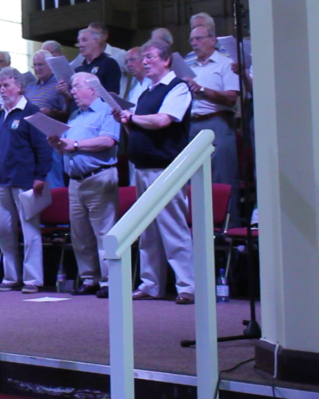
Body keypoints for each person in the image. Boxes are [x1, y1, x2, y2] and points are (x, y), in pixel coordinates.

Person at [115, 40, 195, 305]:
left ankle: (187, 285)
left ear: (166, 60)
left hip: (166, 168)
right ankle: (151, 284)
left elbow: (163, 121)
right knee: (147, 231)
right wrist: (127, 122)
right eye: (143, 58)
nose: (145, 62)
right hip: (142, 166)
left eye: (149, 57)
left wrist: (133, 118)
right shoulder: (145, 92)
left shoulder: (178, 88)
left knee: (173, 228)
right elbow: (137, 130)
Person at [47, 73, 119, 298]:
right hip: (75, 182)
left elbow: (108, 140)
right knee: (80, 235)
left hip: (99, 178)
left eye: (77, 87)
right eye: (73, 88)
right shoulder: (75, 115)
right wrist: (58, 144)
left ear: (93, 88)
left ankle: (109, 281)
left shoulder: (107, 110)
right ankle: (89, 278)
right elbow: (66, 149)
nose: (73, 92)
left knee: (103, 232)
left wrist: (74, 143)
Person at [0, 67, 52, 294]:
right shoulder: (1, 114)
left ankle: (32, 279)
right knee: (5, 231)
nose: (2, 90)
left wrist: (40, 176)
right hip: (1, 180)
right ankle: (10, 276)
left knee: (30, 231)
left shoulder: (31, 112)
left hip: (25, 180)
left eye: (6, 85)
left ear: (19, 86)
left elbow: (43, 148)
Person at [187, 24, 242, 226]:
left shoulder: (225, 64)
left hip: (217, 122)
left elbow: (230, 99)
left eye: (199, 38)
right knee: (194, 182)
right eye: (192, 39)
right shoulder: (190, 68)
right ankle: (201, 235)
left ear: (213, 39)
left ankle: (230, 237)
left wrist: (202, 90)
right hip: (192, 125)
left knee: (222, 179)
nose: (194, 43)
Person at [25, 50, 68, 189]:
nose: (37, 69)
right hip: (31, 138)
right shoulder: (30, 87)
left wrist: (51, 112)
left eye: (41, 65)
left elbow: (68, 112)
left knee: (53, 181)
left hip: (51, 138)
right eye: (35, 65)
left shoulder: (59, 85)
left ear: (50, 65)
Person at [66, 28, 122, 94]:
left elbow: (113, 95)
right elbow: (72, 100)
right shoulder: (78, 70)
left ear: (96, 41)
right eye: (79, 42)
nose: (80, 45)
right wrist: (65, 92)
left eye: (84, 40)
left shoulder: (108, 63)